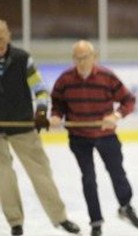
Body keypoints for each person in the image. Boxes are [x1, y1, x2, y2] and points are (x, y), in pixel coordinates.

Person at [49, 40, 138, 236]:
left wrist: (116, 116)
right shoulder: (65, 80)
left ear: (94, 57)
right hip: (79, 137)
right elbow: (57, 104)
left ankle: (125, 207)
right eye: (77, 58)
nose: (81, 62)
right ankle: (96, 222)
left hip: (106, 134)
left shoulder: (106, 77)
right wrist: (56, 116)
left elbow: (129, 100)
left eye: (85, 57)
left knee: (117, 172)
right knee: (89, 178)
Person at [0, 19, 80, 236]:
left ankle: (60, 218)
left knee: (41, 174)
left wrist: (42, 111)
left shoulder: (22, 59)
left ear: (8, 36)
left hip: (22, 125)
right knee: (3, 178)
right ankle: (15, 222)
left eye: (1, 37)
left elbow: (40, 89)